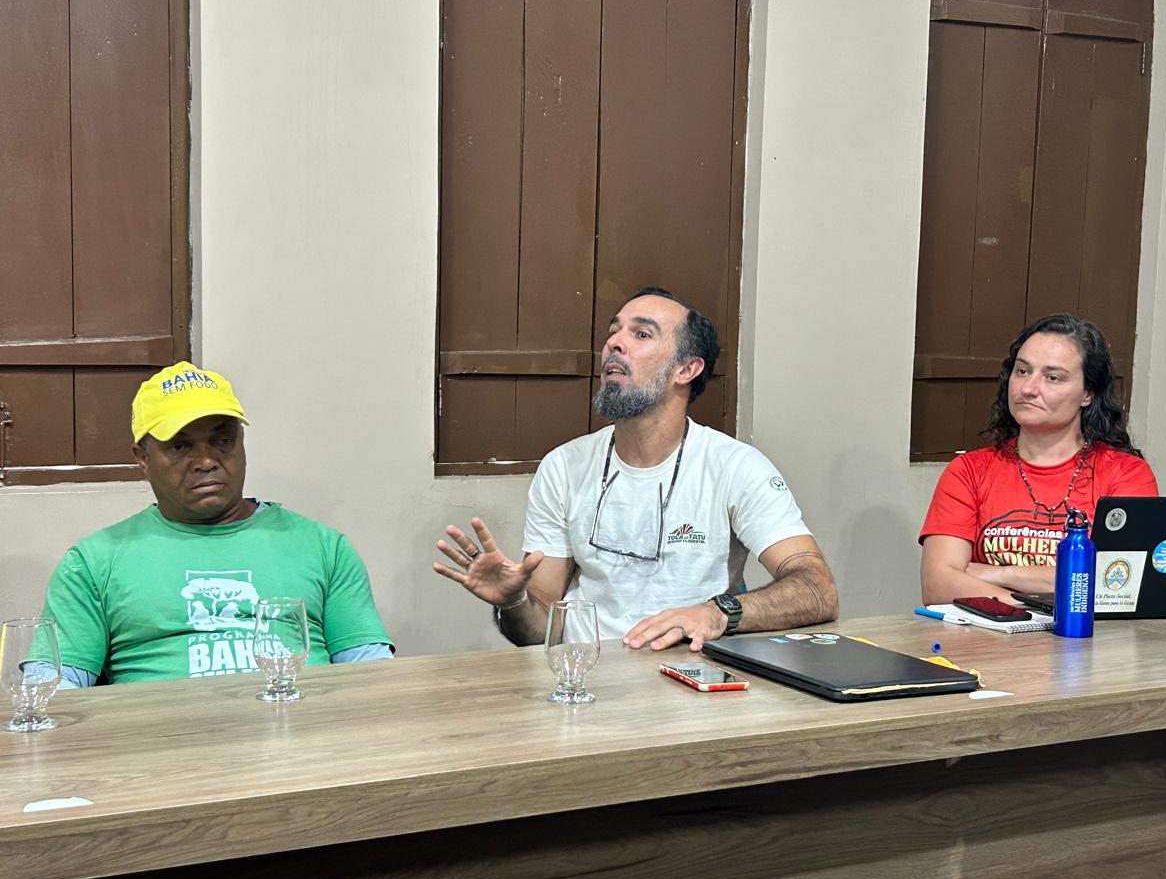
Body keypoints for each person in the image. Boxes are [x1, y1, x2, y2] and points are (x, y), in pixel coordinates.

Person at [434, 287, 839, 651]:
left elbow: (817, 589)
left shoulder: (734, 466)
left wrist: (719, 613)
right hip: (584, 677)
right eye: (614, 332)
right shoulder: (564, 466)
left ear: (686, 369)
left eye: (641, 334)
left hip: (691, 679)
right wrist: (513, 601)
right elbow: (541, 628)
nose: (614, 343)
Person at [42, 361, 394, 686]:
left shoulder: (324, 548)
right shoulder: (93, 563)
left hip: (299, 727)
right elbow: (52, 692)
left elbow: (372, 679)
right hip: (162, 733)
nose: (207, 461)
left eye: (222, 440)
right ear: (143, 459)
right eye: (180, 447)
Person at [919, 313, 1158, 605]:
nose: (1028, 389)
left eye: (1052, 377)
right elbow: (938, 586)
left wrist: (999, 573)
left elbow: (1118, 584)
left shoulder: (1126, 474)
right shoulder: (968, 471)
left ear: (1088, 393)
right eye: (1022, 371)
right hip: (986, 632)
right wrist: (1034, 607)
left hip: (1083, 634)